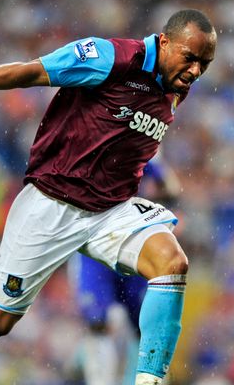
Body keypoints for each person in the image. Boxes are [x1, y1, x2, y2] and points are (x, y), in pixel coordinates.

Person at [0, 9, 217, 385]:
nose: (195, 71)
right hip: (50, 203)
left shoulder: (176, 86)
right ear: (164, 42)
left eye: (204, 64)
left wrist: (160, 175)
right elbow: (31, 71)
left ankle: (150, 380)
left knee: (172, 262)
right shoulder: (110, 57)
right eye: (189, 58)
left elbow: (131, 136)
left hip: (112, 210)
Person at [72, 159, 180, 385]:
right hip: (95, 247)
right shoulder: (88, 146)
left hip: (131, 245)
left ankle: (152, 378)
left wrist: (157, 195)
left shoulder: (138, 149)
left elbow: (170, 188)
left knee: (146, 326)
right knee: (99, 322)